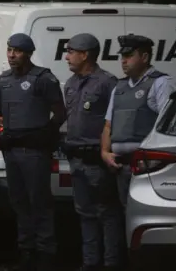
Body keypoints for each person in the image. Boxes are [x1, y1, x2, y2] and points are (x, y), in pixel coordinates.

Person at [0, 33, 66, 271]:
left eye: (17, 51)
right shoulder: (4, 79)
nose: (11, 55)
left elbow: (59, 112)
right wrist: (2, 138)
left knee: (40, 203)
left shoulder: (43, 79)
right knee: (19, 203)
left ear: (28, 53)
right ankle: (26, 253)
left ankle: (46, 255)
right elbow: (2, 115)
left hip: (34, 151)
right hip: (13, 152)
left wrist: (46, 133)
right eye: (9, 50)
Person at [63, 33, 124, 271]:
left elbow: (114, 122)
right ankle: (90, 263)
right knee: (84, 213)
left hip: (97, 160)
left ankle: (111, 263)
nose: (67, 57)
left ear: (85, 54)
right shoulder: (70, 83)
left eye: (71, 51)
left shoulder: (107, 82)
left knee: (107, 213)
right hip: (76, 158)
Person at [101, 34, 176, 209]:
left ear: (144, 57)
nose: (123, 61)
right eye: (122, 57)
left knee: (146, 213)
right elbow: (108, 125)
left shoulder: (160, 83)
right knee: (125, 213)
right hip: (121, 165)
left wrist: (153, 159)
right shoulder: (120, 87)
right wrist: (105, 153)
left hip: (147, 166)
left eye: (129, 56)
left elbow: (170, 125)